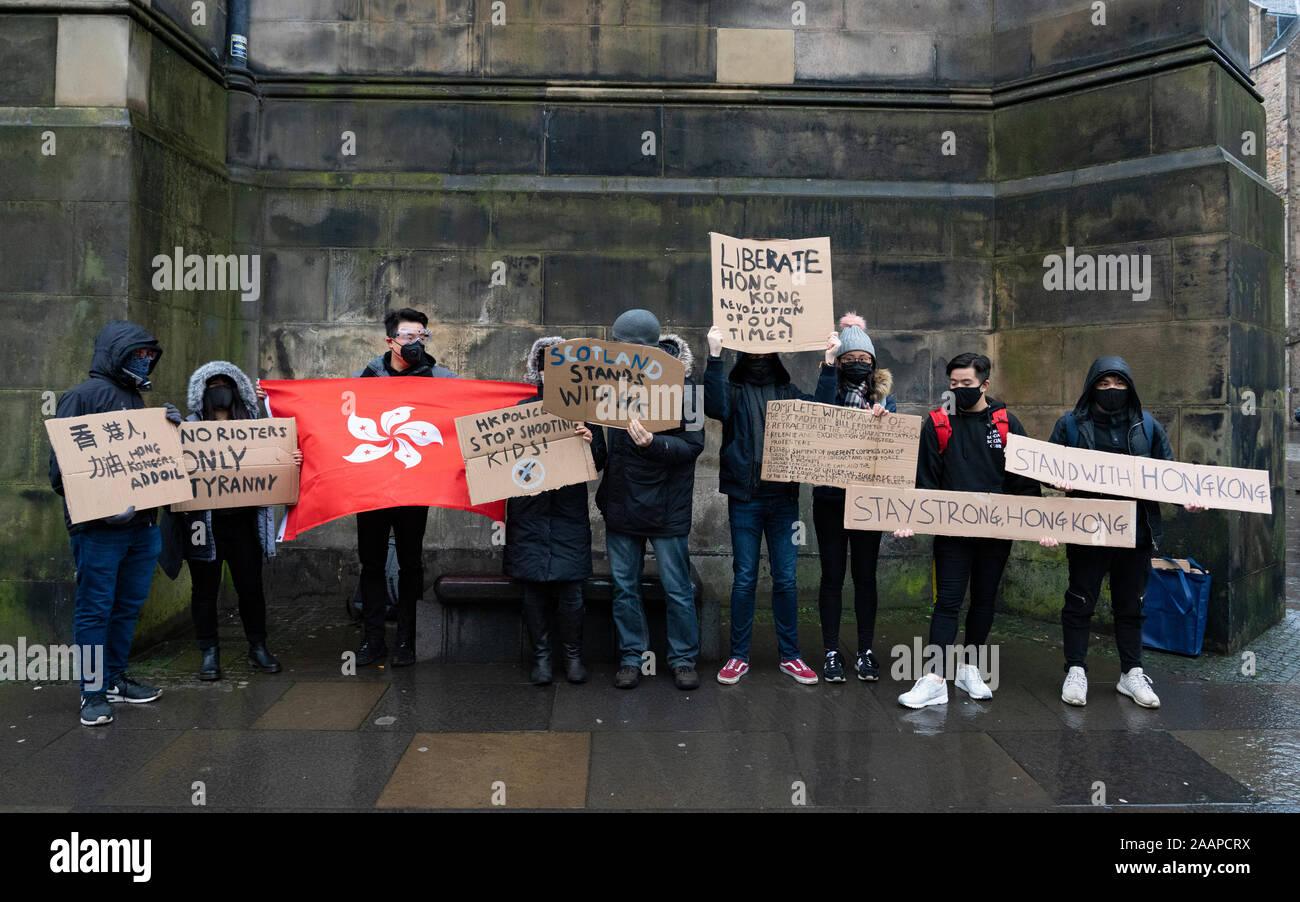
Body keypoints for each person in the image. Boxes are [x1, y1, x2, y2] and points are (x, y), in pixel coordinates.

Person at [894, 352, 1051, 708]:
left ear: (984, 384)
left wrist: (1043, 522)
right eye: (953, 384)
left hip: (996, 534)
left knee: (983, 600)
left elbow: (1023, 480)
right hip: (952, 535)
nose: (959, 390)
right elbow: (925, 483)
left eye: (966, 384)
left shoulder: (1005, 423)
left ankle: (970, 667)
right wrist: (911, 519)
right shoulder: (936, 424)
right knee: (947, 602)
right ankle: (934, 678)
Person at [1047, 356, 1204, 709]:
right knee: (1079, 600)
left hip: (1136, 532)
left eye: (1118, 384)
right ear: (1091, 387)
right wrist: (1055, 480)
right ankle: (1075, 669)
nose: (1112, 390)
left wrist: (1187, 500)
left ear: (1129, 388)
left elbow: (1168, 476)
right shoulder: (1070, 425)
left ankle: (1131, 672)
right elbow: (1045, 466)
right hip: (1087, 531)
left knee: (1131, 605)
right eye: (1103, 384)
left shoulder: (1148, 426)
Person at [49, 321, 181, 726]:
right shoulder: (80, 398)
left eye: (148, 356)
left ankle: (115, 679)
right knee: (95, 609)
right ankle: (92, 694)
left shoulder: (138, 400)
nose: (144, 362)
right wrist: (105, 506)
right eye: (137, 355)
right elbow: (61, 473)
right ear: (117, 355)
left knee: (127, 607)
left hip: (142, 528)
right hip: (99, 532)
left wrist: (173, 431)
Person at [160, 362, 302, 681]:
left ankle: (258, 647)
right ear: (203, 393)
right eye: (214, 386)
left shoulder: (255, 427)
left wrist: (291, 461)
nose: (221, 391)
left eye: (227, 385)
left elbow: (276, 462)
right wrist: (168, 430)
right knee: (205, 590)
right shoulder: (189, 428)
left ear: (237, 391)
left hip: (244, 525)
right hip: (203, 527)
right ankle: (209, 652)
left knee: (251, 588)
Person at [703, 325, 825, 685]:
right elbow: (714, 406)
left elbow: (821, 414)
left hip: (783, 501)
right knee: (745, 579)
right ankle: (738, 656)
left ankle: (791, 656)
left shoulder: (788, 391)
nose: (758, 359)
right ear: (742, 356)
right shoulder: (735, 391)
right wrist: (714, 356)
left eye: (764, 353)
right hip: (745, 499)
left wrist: (829, 365)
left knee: (786, 580)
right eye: (751, 353)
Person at [595, 311, 705, 690]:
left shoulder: (687, 388)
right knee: (624, 586)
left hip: (667, 505)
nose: (622, 354)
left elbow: (694, 445)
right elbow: (598, 449)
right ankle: (630, 658)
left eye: (629, 346)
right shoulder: (606, 382)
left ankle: (683, 659)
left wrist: (654, 443)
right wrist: (585, 437)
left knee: (677, 587)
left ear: (647, 347)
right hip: (622, 500)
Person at [352, 308, 457, 667]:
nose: (416, 343)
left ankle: (406, 641)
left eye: (422, 337)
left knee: (411, 563)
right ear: (391, 341)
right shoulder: (365, 377)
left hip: (415, 488)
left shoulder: (441, 378)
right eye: (409, 337)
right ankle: (372, 639)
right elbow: (333, 414)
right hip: (371, 488)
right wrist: (272, 396)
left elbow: (471, 410)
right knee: (372, 563)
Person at [504, 337, 607, 685]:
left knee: (572, 593)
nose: (554, 373)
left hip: (567, 514)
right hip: (530, 512)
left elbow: (600, 462)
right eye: (549, 366)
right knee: (533, 592)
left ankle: (573, 656)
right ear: (540, 371)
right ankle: (542, 658)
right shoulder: (521, 410)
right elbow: (502, 464)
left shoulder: (584, 411)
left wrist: (589, 443)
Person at [812, 314, 895, 684]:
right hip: (829, 499)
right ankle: (831, 651)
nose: (857, 364)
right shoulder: (826, 387)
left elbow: (893, 452)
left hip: (867, 502)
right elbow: (815, 416)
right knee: (832, 576)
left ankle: (864, 651)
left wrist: (882, 421)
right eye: (849, 359)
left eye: (863, 359)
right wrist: (828, 364)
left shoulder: (886, 402)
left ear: (874, 364)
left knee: (865, 576)